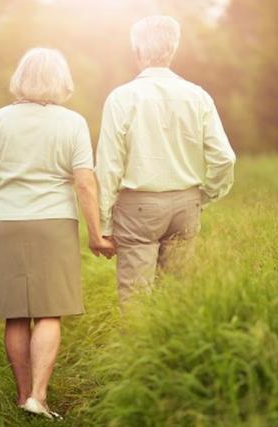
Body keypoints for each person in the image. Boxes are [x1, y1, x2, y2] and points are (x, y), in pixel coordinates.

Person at [0, 47, 115, 419]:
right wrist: (97, 234)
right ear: (61, 81)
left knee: (16, 314)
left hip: (5, 222)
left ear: (21, 78)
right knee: (49, 312)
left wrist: (12, 178)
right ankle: (39, 397)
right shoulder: (72, 123)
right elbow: (85, 184)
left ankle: (21, 399)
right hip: (53, 223)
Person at [95, 15, 237, 304]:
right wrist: (205, 195)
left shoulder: (122, 98)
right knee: (178, 295)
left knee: (136, 298)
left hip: (138, 207)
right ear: (173, 50)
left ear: (137, 52)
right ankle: (174, 347)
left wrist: (104, 225)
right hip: (186, 204)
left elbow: (108, 166)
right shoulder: (198, 96)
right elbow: (225, 158)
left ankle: (138, 348)